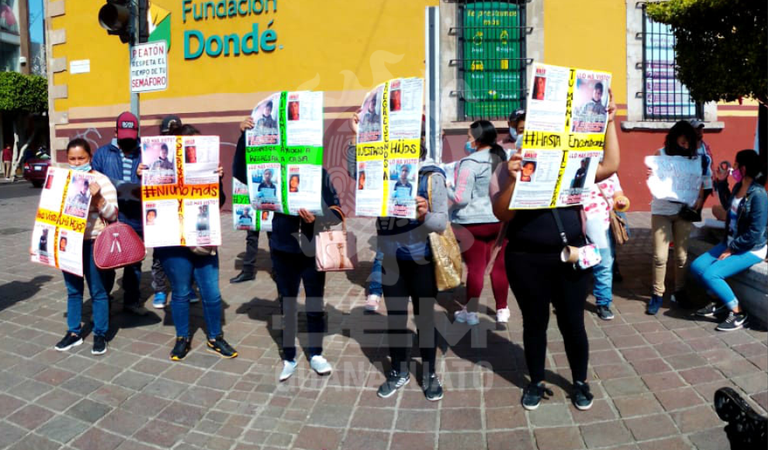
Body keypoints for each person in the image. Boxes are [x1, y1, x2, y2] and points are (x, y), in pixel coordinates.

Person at [491, 91, 620, 411]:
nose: (527, 134)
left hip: (570, 257)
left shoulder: (569, 164)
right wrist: (513, 179)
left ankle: (580, 382)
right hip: (525, 260)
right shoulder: (504, 168)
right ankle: (535, 381)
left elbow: (611, 165)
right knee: (534, 324)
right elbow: (502, 213)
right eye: (522, 129)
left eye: (534, 129)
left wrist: (609, 123)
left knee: (573, 323)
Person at [149, 125, 237, 361]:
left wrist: (217, 180)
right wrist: (143, 177)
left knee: (212, 293)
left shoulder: (207, 169)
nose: (195, 150)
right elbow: (149, 200)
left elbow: (218, 202)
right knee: (180, 292)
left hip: (202, 237)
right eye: (190, 145)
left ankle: (215, 337)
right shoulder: (160, 168)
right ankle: (182, 337)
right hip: (173, 242)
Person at [377, 140, 448, 402]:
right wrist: (355, 138)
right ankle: (399, 370)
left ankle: (429, 373)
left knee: (424, 319)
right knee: (395, 319)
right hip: (390, 259)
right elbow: (355, 172)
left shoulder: (431, 176)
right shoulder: (381, 169)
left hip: (421, 260)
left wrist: (424, 215)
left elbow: (441, 222)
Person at [54, 139, 119, 355]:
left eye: (81, 158)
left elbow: (113, 214)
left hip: (94, 241)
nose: (76, 162)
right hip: (69, 242)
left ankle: (100, 333)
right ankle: (74, 332)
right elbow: (50, 212)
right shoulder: (63, 180)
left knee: (98, 291)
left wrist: (98, 198)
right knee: (73, 290)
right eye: (72, 159)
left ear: (89, 157)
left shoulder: (101, 180)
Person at [692, 149, 767, 331]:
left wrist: (732, 248)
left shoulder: (758, 195)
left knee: (711, 274)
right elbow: (728, 206)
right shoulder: (738, 187)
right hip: (731, 242)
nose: (733, 167)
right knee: (697, 267)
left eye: (735, 164)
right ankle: (718, 302)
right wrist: (721, 181)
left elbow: (756, 232)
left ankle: (739, 313)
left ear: (744, 168)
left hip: (751, 248)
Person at [448, 120, 510, 325]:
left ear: (477, 138)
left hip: (472, 222)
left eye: (469, 137)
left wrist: (446, 187)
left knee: (476, 268)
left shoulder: (469, 163)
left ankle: (471, 313)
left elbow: (460, 198)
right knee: (499, 266)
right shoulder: (502, 157)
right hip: (499, 219)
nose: (467, 140)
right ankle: (502, 309)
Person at [91, 112, 149, 315]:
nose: (127, 142)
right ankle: (103, 301)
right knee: (106, 260)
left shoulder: (146, 153)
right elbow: (93, 179)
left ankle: (131, 301)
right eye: (123, 137)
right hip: (109, 215)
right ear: (115, 132)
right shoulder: (102, 154)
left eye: (131, 137)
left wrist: (144, 176)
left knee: (134, 261)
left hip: (136, 215)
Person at [647, 120, 705, 314]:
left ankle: (680, 291)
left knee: (681, 256)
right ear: (674, 139)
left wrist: (699, 199)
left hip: (683, 211)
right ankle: (657, 294)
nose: (686, 146)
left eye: (689, 143)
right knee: (660, 256)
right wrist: (652, 175)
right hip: (662, 210)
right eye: (683, 142)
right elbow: (653, 179)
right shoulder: (661, 154)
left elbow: (701, 180)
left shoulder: (694, 157)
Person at [347, 110, 384, 311]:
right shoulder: (376, 154)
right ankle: (375, 292)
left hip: (413, 214)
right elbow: (354, 171)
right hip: (387, 214)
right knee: (383, 252)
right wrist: (356, 135)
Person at [583, 174, 629, 320]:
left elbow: (618, 194)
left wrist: (620, 201)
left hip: (604, 224)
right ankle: (572, 297)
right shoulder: (577, 168)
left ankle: (603, 303)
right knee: (579, 263)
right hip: (578, 224)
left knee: (604, 264)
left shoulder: (611, 173)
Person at [230, 116, 268, 284]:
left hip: (271, 193)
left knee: (274, 234)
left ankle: (279, 271)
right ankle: (248, 270)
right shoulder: (249, 144)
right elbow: (238, 166)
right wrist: (243, 134)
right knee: (252, 234)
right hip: (253, 190)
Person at [149, 116, 181, 308]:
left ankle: (184, 288)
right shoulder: (153, 164)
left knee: (184, 250)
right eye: (168, 134)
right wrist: (141, 174)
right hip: (160, 209)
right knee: (159, 252)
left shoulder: (176, 161)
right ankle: (160, 290)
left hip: (180, 209)